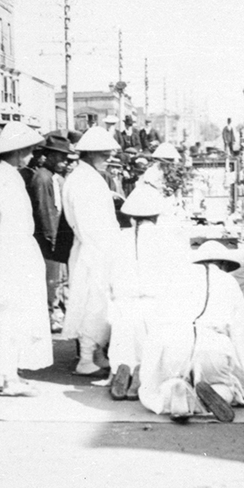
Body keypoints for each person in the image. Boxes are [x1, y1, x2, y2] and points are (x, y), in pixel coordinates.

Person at [137, 240, 244, 422]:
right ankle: (208, 399)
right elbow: (240, 332)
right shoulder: (229, 281)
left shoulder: (178, 279)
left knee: (159, 388)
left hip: (175, 343)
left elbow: (158, 323)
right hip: (213, 345)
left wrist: (151, 370)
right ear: (223, 264)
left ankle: (176, 390)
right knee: (227, 387)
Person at [0, 122, 54, 395]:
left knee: (12, 315)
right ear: (17, 151)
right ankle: (5, 374)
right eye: (27, 150)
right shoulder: (4, 176)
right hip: (10, 250)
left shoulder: (9, 175)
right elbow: (7, 222)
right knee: (6, 313)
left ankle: (8, 371)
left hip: (15, 249)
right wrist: (11, 263)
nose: (31, 155)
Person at [107, 184, 190, 400]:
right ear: (156, 216)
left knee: (124, 338)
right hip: (154, 303)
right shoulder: (167, 238)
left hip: (125, 303)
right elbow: (177, 276)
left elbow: (110, 275)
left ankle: (122, 369)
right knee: (153, 339)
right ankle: (142, 374)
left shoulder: (119, 238)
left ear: (132, 216)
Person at [62, 125, 122, 376]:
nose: (108, 159)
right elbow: (90, 224)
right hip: (94, 249)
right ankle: (85, 358)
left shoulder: (89, 177)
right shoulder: (83, 180)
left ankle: (96, 352)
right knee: (92, 304)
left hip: (99, 248)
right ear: (88, 153)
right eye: (103, 154)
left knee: (101, 303)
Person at [27, 131, 73, 334]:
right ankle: (47, 318)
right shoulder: (42, 178)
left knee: (56, 281)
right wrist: (52, 239)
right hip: (47, 241)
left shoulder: (52, 177)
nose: (64, 162)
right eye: (61, 158)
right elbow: (44, 211)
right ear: (51, 156)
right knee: (49, 281)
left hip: (54, 238)